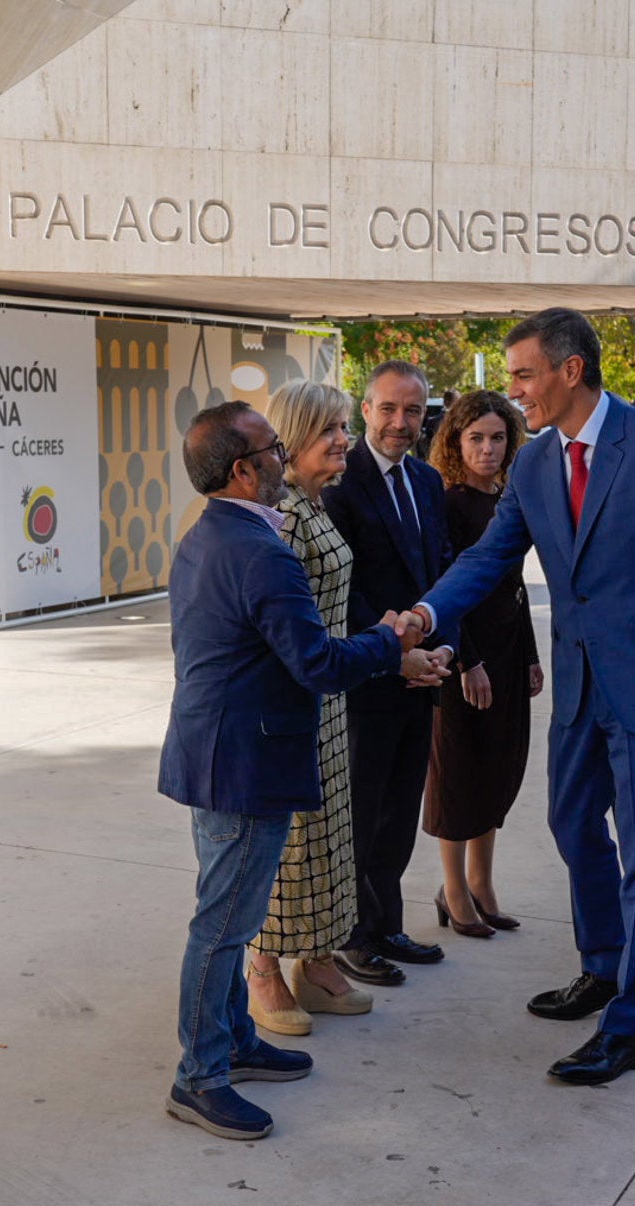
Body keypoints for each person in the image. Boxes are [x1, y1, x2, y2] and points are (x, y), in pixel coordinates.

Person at [398, 307, 635, 1086]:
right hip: (580, 687)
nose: (513, 392)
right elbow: (487, 558)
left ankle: (628, 1025)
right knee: (571, 821)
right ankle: (602, 962)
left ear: (569, 369)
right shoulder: (537, 464)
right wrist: (424, 612)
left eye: (522, 374)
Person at [158, 400, 419, 1140]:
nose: (283, 456)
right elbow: (317, 662)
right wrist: (388, 639)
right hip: (242, 760)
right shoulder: (260, 550)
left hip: (217, 751)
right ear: (244, 471)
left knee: (229, 920)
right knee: (222, 926)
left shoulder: (207, 534)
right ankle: (199, 1076)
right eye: (273, 449)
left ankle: (233, 1042)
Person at [243, 381, 451, 1036]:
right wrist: (390, 651)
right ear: (295, 435)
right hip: (295, 702)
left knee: (329, 841)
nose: (342, 439)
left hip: (330, 699)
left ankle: (317, 959)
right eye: (331, 428)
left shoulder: (312, 504)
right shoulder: (277, 516)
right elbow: (295, 638)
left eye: (341, 427)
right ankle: (263, 969)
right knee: (290, 846)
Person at [323, 361, 457, 986]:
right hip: (367, 677)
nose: (401, 423)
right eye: (389, 409)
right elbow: (338, 594)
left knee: (401, 809)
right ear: (365, 409)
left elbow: (443, 575)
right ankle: (351, 935)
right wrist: (391, 653)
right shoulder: (338, 484)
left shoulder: (428, 482)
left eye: (413, 411)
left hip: (420, 675)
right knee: (362, 812)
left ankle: (385, 924)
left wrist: (443, 651)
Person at [421, 390, 542, 938]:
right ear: (455, 440)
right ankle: (453, 891)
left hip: (509, 648)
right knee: (459, 774)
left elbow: (515, 584)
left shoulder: (510, 498)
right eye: (476, 438)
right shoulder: (447, 503)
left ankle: (482, 884)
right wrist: (467, 661)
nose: (488, 449)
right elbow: (448, 587)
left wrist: (533, 656)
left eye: (497, 438)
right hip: (461, 656)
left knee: (498, 769)